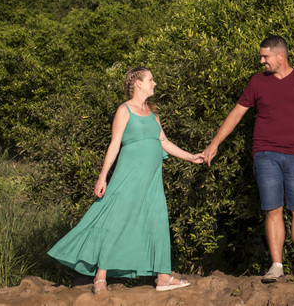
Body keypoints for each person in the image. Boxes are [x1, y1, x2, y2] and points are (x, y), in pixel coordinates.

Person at [48, 67, 204, 293]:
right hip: (128, 176)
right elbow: (114, 144)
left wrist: (191, 157)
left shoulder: (153, 113)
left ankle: (163, 277)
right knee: (117, 220)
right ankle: (100, 276)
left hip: (152, 179)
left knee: (157, 219)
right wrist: (103, 177)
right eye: (151, 79)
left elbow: (163, 141)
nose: (154, 83)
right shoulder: (124, 110)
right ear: (138, 83)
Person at [203, 34, 294, 284]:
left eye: (265, 56)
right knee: (273, 210)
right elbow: (236, 114)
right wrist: (214, 143)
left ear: (280, 56)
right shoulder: (257, 82)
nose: (262, 61)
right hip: (265, 155)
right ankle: (276, 266)